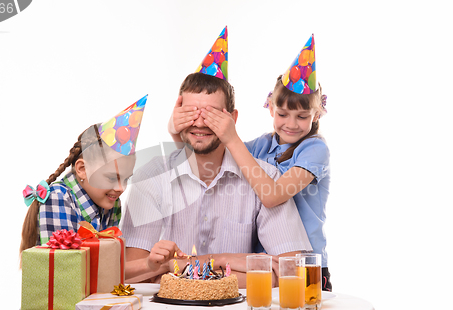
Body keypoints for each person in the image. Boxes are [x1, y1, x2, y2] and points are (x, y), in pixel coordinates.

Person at [170, 35, 332, 291]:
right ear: (269, 108)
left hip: (304, 262)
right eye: (282, 114)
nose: (291, 124)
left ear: (317, 114)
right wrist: (176, 132)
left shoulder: (314, 149)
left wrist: (231, 135)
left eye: (302, 116)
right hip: (262, 258)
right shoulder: (261, 146)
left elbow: (273, 195)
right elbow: (212, 158)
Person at [121, 73, 313, 288]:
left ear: (233, 119)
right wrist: (223, 262)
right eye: (191, 113)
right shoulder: (151, 176)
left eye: (212, 114)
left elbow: (291, 272)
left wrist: (173, 269)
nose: (201, 122)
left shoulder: (265, 179)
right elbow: (133, 276)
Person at [19, 96, 184, 280]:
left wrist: (152, 265)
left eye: (126, 179)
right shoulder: (58, 199)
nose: (121, 188)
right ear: (82, 169)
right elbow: (66, 274)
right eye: (112, 178)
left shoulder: (111, 205)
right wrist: (147, 265)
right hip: (56, 308)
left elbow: (108, 269)